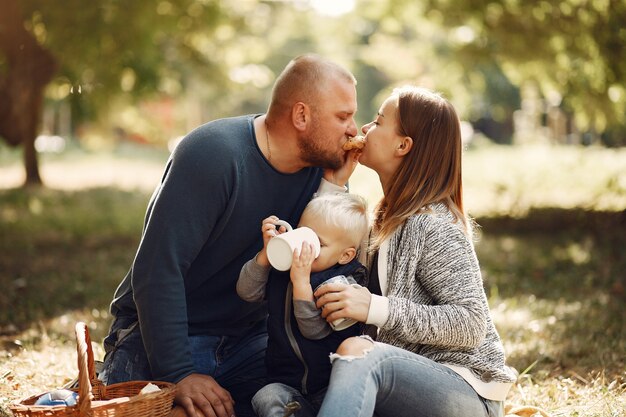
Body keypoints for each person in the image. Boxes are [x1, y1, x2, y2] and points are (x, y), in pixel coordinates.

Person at [99, 54, 360, 417]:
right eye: (343, 117)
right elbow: (158, 271)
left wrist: (333, 189)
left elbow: (322, 264)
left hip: (246, 341)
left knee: (303, 404)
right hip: (160, 335)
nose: (354, 130)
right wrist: (180, 374)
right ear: (301, 116)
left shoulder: (321, 176)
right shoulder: (214, 154)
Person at [314, 86, 518, 417]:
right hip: (411, 382)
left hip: (466, 391)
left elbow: (471, 323)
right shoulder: (386, 217)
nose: (364, 128)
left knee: (359, 355)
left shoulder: (432, 224)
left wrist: (375, 307)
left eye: (378, 122)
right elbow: (331, 250)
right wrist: (334, 187)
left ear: (403, 145)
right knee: (279, 395)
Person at [236, 192, 369, 417]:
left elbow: (314, 331)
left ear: (345, 256)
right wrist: (265, 256)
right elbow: (247, 292)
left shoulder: (343, 286)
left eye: (318, 243)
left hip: (330, 389)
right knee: (265, 397)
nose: (304, 247)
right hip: (286, 385)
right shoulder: (284, 268)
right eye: (303, 233)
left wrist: (301, 284)